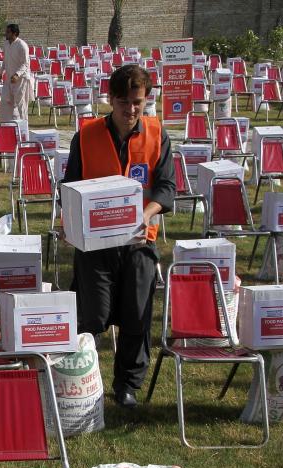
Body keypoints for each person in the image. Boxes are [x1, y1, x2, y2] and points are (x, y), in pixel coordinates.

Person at [63, 64, 176, 409]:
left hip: (139, 243)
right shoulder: (86, 136)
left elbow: (167, 187)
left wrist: (146, 213)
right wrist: (72, 224)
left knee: (136, 314)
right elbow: (70, 186)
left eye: (138, 103)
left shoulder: (158, 136)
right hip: (96, 247)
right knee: (92, 314)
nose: (131, 110)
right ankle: (82, 378)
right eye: (124, 102)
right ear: (110, 100)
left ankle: (127, 385)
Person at [0, 23, 35, 123]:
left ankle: (24, 128)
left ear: (14, 33)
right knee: (6, 102)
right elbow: (5, 60)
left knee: (21, 104)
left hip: (21, 79)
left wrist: (17, 74)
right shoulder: (6, 44)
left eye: (8, 32)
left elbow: (25, 63)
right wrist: (0, 73)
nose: (5, 34)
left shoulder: (22, 45)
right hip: (8, 78)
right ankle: (6, 124)